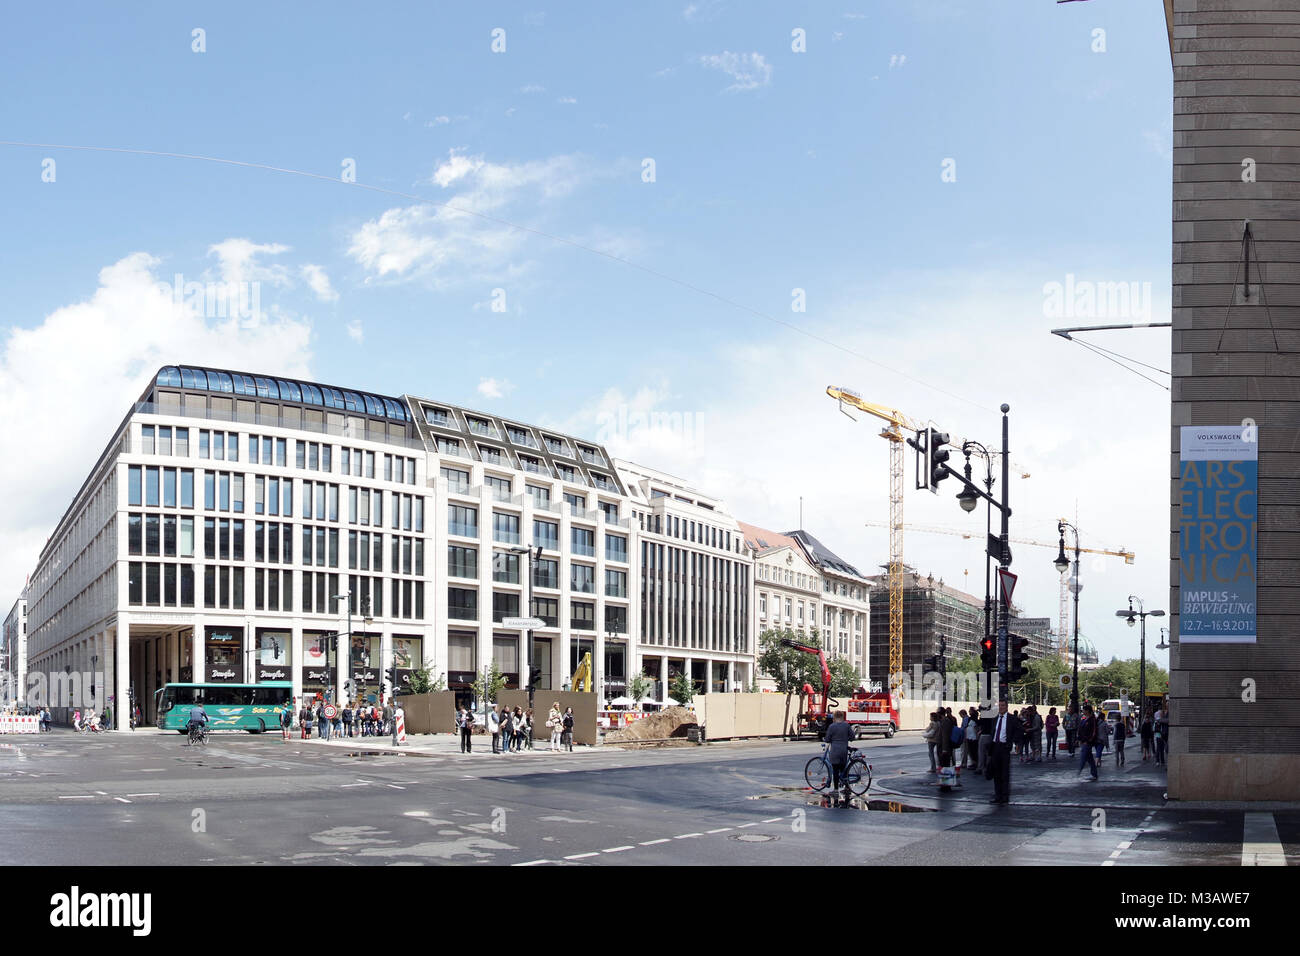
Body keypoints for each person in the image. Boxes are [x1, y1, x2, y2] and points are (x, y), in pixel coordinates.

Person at [988, 699, 1024, 804]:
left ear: (1007, 707)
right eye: (999, 705)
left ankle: (1004, 796)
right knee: (996, 773)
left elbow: (1019, 730)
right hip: (995, 746)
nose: (1001, 707)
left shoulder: (1012, 719)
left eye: (1003, 705)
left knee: (1004, 773)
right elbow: (993, 732)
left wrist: (1012, 741)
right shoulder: (995, 719)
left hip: (1004, 747)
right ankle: (997, 795)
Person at [824, 711, 854, 798]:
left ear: (834, 717)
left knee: (835, 770)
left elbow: (827, 739)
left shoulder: (832, 726)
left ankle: (836, 790)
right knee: (844, 769)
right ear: (842, 717)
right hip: (844, 750)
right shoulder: (846, 725)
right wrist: (846, 738)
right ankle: (847, 787)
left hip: (835, 751)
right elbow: (852, 737)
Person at [1077, 704, 1099, 781]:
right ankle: (1094, 774)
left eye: (1084, 710)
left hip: (1087, 743)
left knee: (1083, 758)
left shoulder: (1092, 720)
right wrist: (1079, 739)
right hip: (1084, 742)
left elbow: (1093, 732)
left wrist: (1089, 741)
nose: (1083, 711)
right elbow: (1080, 730)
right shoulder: (1084, 719)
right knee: (1090, 759)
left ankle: (1077, 774)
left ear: (1087, 711)